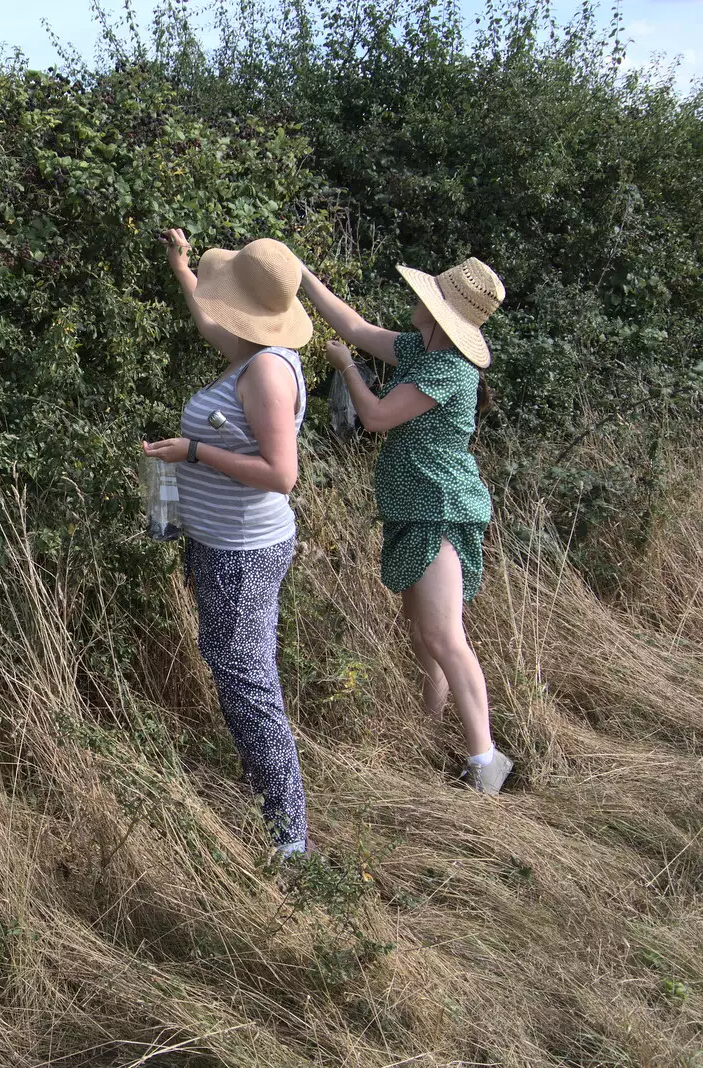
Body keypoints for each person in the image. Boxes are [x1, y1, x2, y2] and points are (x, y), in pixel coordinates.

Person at [300, 257, 514, 795]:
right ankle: (432, 730)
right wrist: (301, 274)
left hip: (440, 510)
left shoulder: (449, 369)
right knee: (422, 634)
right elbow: (353, 325)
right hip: (413, 510)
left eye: (429, 294)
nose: (416, 298)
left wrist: (347, 367)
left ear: (441, 314)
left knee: (445, 636)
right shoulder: (422, 350)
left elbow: (373, 417)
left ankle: (486, 762)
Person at [144, 230, 312, 856]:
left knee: (247, 679)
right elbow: (207, 319)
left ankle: (290, 839)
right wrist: (182, 268)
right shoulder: (251, 352)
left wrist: (192, 451)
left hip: (241, 553)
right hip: (222, 546)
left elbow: (281, 474)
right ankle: (273, 806)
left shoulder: (267, 371)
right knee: (236, 667)